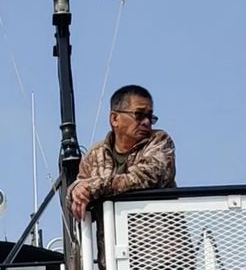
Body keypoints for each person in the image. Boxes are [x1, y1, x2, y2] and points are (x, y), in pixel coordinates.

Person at [67, 85, 176, 223]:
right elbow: (77, 192)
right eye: (139, 114)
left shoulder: (159, 141)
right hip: (111, 242)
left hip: (157, 241)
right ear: (114, 119)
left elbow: (146, 178)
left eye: (149, 116)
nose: (146, 122)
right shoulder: (94, 155)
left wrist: (93, 187)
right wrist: (76, 191)